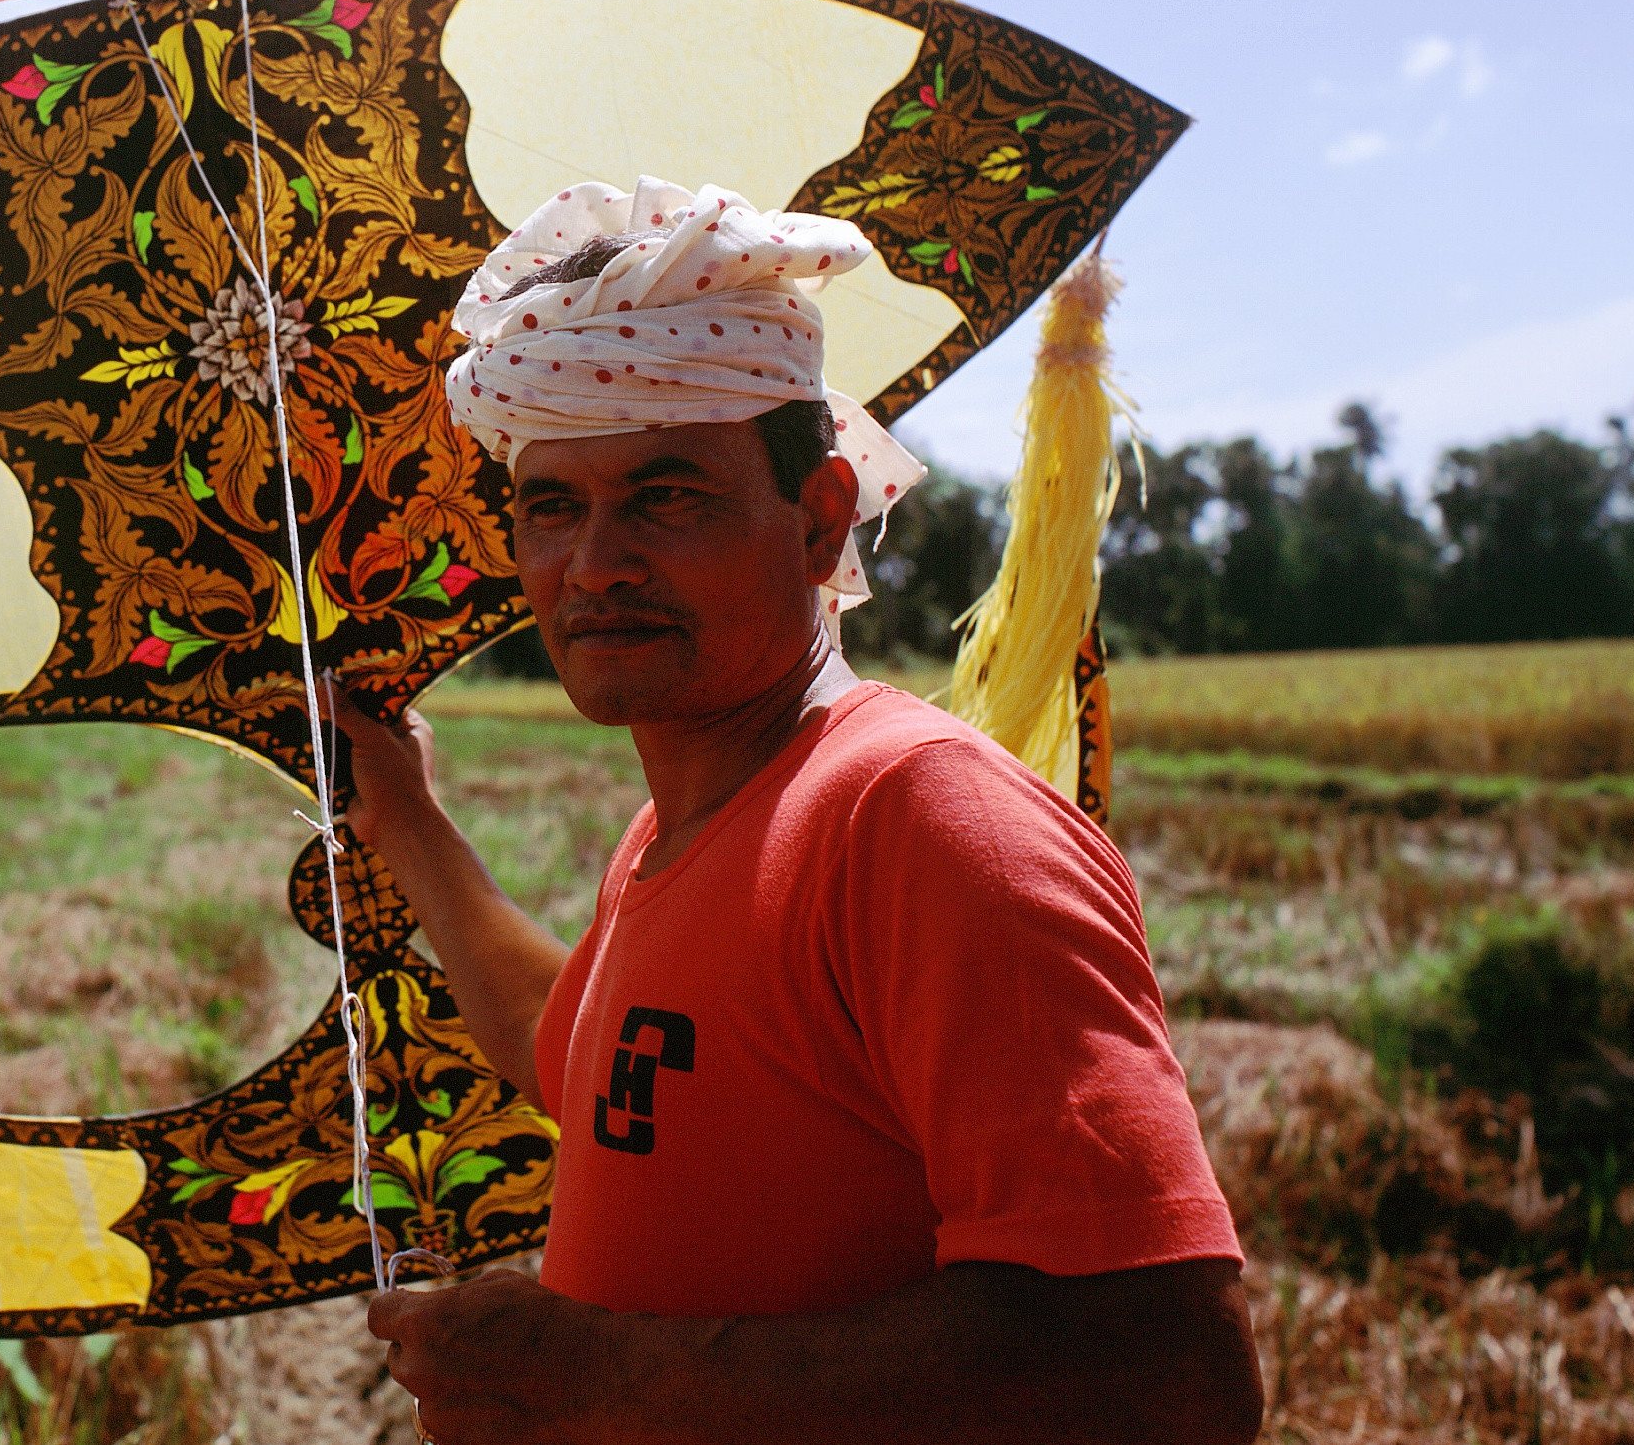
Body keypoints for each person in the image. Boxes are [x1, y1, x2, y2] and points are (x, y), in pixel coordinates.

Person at [331, 179, 1262, 1445]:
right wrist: (411, 824)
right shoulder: (678, 832)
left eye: (666, 497)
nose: (594, 562)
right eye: (553, 505)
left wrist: (603, 1375)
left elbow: (1169, 1371)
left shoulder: (919, 819)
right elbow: (573, 1053)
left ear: (819, 519)